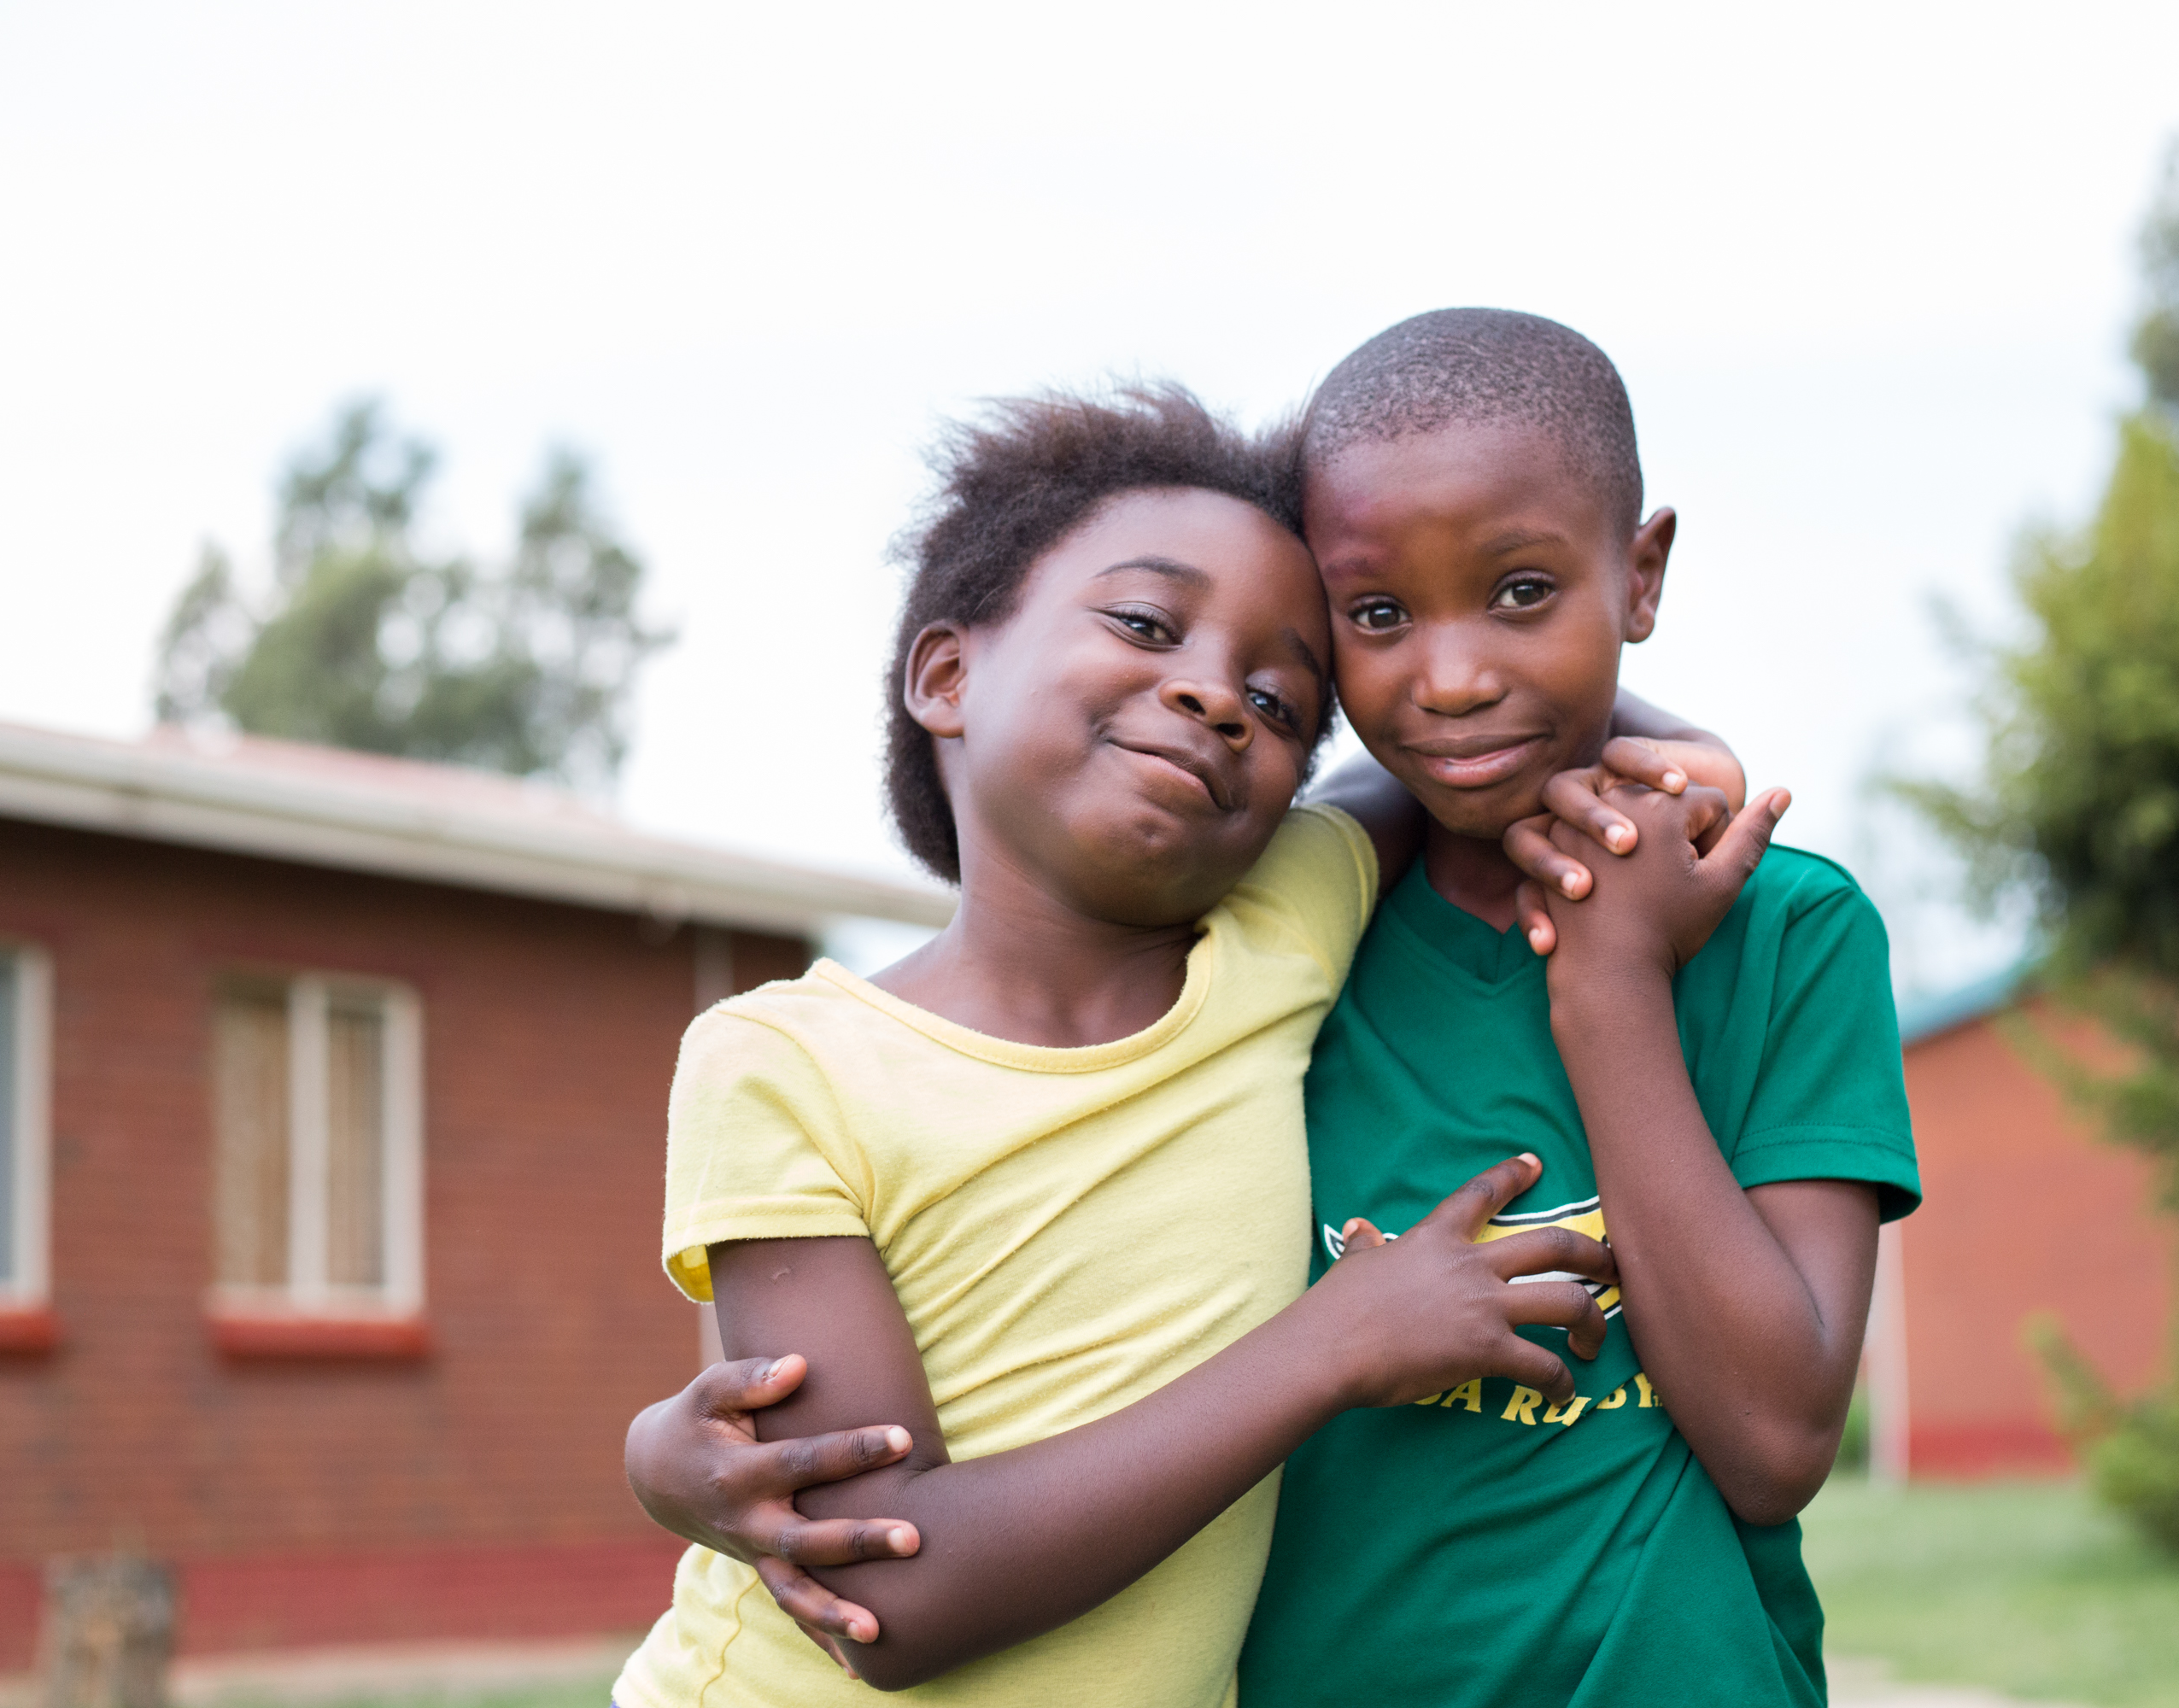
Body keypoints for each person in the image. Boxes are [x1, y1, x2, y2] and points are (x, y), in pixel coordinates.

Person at [631, 312, 1918, 1707]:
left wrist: (1648, 876)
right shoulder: (831, 1049)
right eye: (1374, 620)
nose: (1450, 676)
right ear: (944, 673)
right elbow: (878, 1558)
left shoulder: (1330, 936)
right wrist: (658, 1455)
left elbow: (1781, 1442)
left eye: (1274, 696)